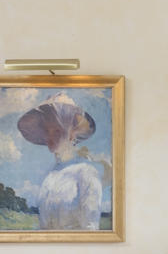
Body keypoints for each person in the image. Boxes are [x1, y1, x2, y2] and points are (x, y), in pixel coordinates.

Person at [16, 92, 107, 230]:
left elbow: (91, 228)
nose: (49, 137)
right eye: (47, 130)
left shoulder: (87, 173)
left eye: (57, 131)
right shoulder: (50, 176)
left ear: (72, 133)